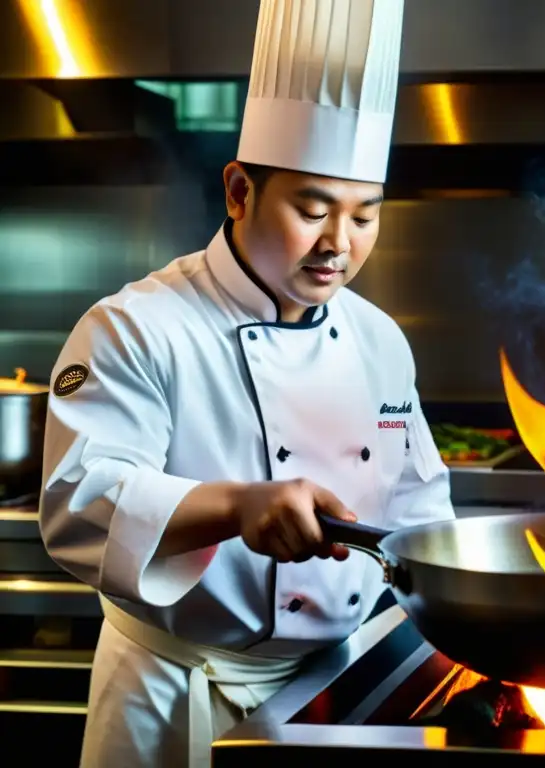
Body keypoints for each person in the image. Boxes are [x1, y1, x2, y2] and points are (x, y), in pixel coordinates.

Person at [37, 1, 453, 766]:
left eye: (366, 217)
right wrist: (236, 506)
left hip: (336, 692)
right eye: (313, 209)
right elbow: (79, 503)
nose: (339, 245)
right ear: (238, 192)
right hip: (175, 698)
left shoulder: (377, 338)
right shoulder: (137, 326)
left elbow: (419, 505)